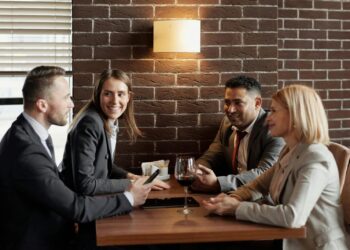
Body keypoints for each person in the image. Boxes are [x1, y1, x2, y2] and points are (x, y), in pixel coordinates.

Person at [0, 66, 152, 250]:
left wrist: (129, 179)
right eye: (65, 97)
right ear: (42, 105)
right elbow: (77, 208)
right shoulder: (27, 151)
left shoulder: (29, 133)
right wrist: (129, 198)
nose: (71, 104)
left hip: (56, 230)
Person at [202, 84, 350, 250]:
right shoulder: (289, 150)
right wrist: (234, 198)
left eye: (274, 111)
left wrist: (237, 208)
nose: (267, 118)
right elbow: (258, 185)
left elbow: (293, 217)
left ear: (295, 115)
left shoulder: (316, 158)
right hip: (288, 241)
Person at [61, 69, 169, 195]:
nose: (115, 101)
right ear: (97, 95)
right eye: (108, 94)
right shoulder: (90, 124)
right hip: (78, 204)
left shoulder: (107, 121)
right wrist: (133, 184)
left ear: (129, 97)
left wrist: (133, 177)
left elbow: (104, 165)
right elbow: (85, 184)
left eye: (121, 94)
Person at [192, 76, 284, 193]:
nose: (230, 110)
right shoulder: (226, 123)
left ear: (257, 103)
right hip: (233, 195)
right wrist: (198, 171)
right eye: (227, 102)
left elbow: (265, 174)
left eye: (238, 103)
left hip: (262, 199)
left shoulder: (274, 129)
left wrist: (218, 183)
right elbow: (212, 156)